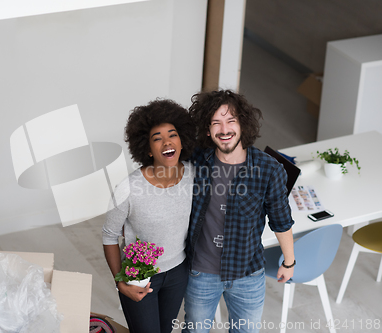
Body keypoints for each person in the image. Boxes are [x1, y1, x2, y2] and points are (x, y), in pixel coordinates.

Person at [182, 90, 295, 333]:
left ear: (243, 124)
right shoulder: (197, 160)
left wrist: (289, 262)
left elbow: (281, 221)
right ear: (207, 129)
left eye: (231, 121)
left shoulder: (269, 169)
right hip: (200, 272)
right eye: (216, 123)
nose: (224, 129)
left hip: (248, 274)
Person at [102, 99, 196, 333]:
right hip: (141, 276)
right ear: (147, 148)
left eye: (172, 135)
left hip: (178, 272)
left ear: (182, 141)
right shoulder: (129, 188)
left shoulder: (193, 175)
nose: (167, 142)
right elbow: (109, 235)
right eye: (157, 138)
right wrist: (120, 283)